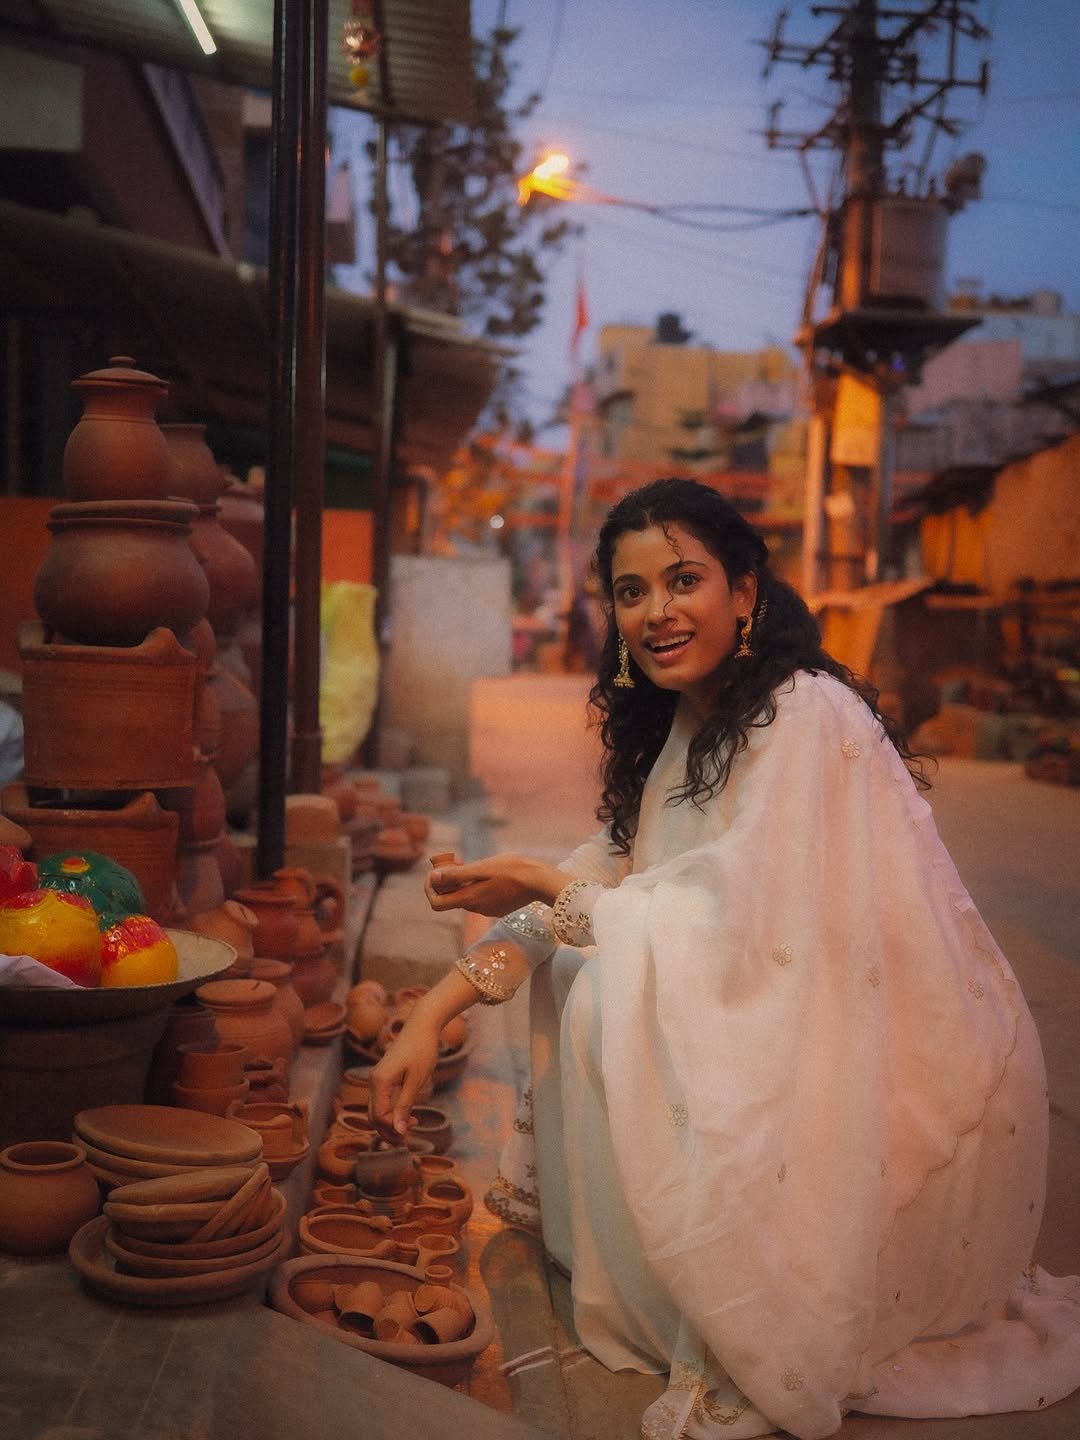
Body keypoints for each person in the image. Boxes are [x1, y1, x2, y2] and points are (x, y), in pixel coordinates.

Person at [370, 477, 1080, 1440]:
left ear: (744, 590)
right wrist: (434, 1010)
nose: (657, 612)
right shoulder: (684, 724)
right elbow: (608, 879)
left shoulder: (803, 714)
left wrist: (547, 887)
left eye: (683, 580)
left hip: (875, 1075)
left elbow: (726, 934)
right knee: (595, 962)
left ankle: (731, 1273)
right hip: (797, 1032)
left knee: (611, 978)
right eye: (631, 593)